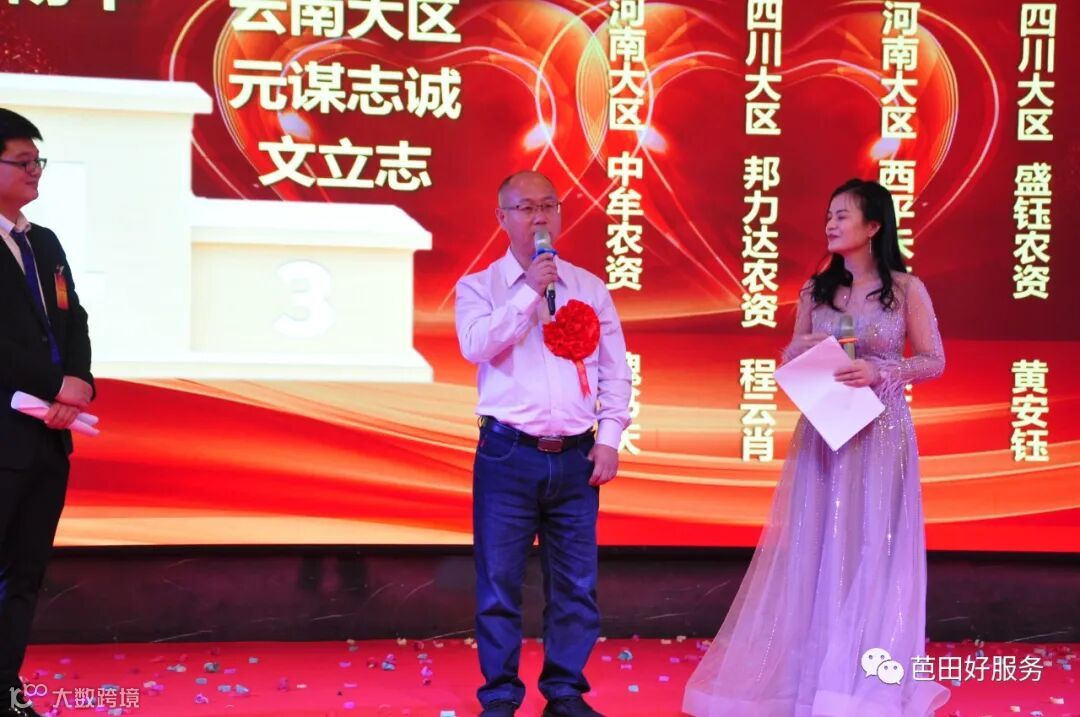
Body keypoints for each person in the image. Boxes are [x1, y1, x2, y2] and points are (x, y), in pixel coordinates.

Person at [683, 179, 950, 716]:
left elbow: (934, 360)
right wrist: (800, 349)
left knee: (871, 546)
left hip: (880, 433)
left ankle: (858, 681)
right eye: (828, 215)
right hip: (824, 434)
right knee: (815, 548)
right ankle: (810, 677)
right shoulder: (815, 290)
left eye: (843, 215)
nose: (831, 223)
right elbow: (790, 358)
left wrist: (880, 369)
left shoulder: (906, 289)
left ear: (874, 226)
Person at [455, 170, 631, 717]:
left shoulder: (589, 287)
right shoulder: (480, 287)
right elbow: (475, 346)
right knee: (499, 583)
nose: (539, 217)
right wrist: (529, 290)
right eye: (526, 208)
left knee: (576, 584)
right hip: (507, 454)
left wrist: (609, 438)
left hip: (576, 455)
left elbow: (614, 370)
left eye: (548, 206)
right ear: (502, 218)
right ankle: (500, 695)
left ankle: (564, 692)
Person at [0, 108, 94, 717]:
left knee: (25, 575)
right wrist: (54, 385)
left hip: (47, 439)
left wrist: (78, 384)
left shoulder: (44, 241)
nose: (35, 171)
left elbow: (73, 319)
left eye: (39, 161)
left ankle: (6, 691)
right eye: (22, 162)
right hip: (4, 431)